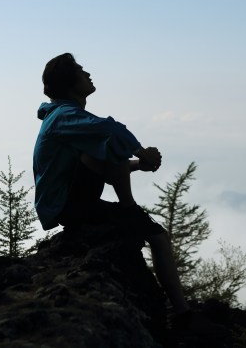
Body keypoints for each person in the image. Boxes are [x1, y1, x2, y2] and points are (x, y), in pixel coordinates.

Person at [33, 53, 191, 318]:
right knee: (158, 237)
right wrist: (142, 152)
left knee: (102, 144)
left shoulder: (63, 116)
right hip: (68, 204)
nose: (88, 74)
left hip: (69, 202)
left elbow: (95, 164)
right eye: (82, 71)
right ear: (70, 82)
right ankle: (183, 314)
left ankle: (181, 311)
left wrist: (138, 165)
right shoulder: (63, 116)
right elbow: (112, 131)